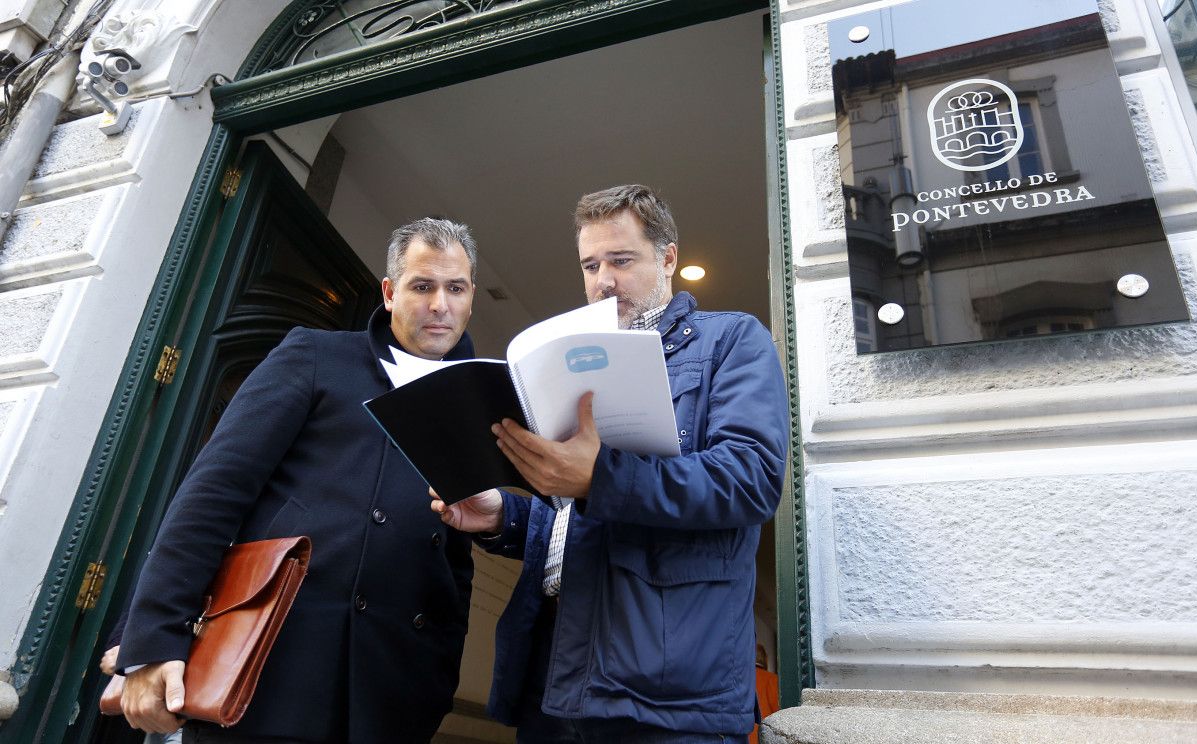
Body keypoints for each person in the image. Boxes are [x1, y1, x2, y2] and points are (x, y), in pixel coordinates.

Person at [432, 185, 789, 742]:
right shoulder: (572, 357)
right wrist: (506, 517)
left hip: (666, 691)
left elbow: (751, 480)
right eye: (590, 265)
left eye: (621, 260)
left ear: (668, 257)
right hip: (553, 672)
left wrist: (600, 476)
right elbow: (577, 523)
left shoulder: (732, 341)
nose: (603, 280)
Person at [118, 218, 480, 743]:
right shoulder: (316, 355)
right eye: (422, 286)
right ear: (389, 292)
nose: (440, 305)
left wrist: (439, 675)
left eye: (456, 288)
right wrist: (154, 635)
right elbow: (214, 492)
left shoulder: (474, 399)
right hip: (275, 670)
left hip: (393, 691)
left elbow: (456, 559)